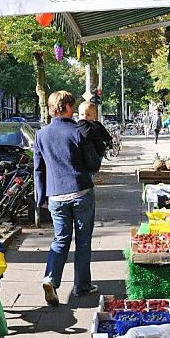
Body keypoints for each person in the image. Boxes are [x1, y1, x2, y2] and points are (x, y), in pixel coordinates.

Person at [34, 91, 102, 306]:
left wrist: (40, 198)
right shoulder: (78, 131)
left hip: (55, 195)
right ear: (68, 108)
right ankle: (81, 286)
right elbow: (93, 165)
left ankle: (51, 279)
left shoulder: (41, 135)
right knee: (83, 242)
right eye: (72, 106)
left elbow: (38, 169)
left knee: (60, 239)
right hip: (80, 192)